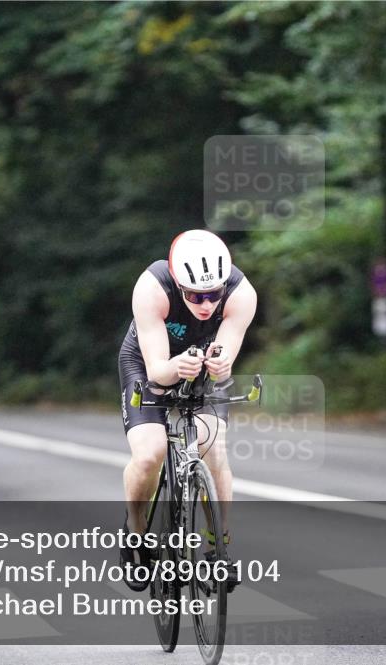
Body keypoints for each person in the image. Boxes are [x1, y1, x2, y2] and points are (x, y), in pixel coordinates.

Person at [118, 229, 257, 591]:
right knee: (151, 454)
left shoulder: (242, 294)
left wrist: (222, 364)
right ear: (179, 286)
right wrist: (175, 367)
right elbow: (157, 372)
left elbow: (225, 353)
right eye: (196, 296)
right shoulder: (151, 288)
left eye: (213, 295)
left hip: (200, 368)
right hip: (151, 362)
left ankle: (218, 548)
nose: (206, 305)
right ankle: (136, 533)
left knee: (214, 451)